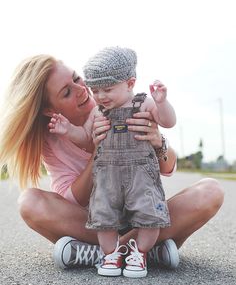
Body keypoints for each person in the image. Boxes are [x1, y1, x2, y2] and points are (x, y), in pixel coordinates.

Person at [0, 54, 224, 273]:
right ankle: (145, 251)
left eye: (77, 78)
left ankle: (107, 254)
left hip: (144, 212)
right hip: (99, 222)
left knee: (210, 191)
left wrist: (158, 142)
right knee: (29, 202)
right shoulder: (54, 140)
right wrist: (99, 151)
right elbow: (71, 200)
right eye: (67, 92)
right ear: (50, 110)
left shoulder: (123, 104)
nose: (81, 90)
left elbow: (168, 169)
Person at [49, 46, 177, 277]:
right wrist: (68, 130)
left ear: (129, 83)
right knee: (104, 219)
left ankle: (140, 253)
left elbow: (167, 122)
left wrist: (162, 102)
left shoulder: (143, 103)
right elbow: (86, 138)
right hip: (107, 179)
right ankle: (110, 255)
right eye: (95, 90)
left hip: (141, 177)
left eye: (107, 89)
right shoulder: (97, 113)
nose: (100, 97)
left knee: (150, 216)